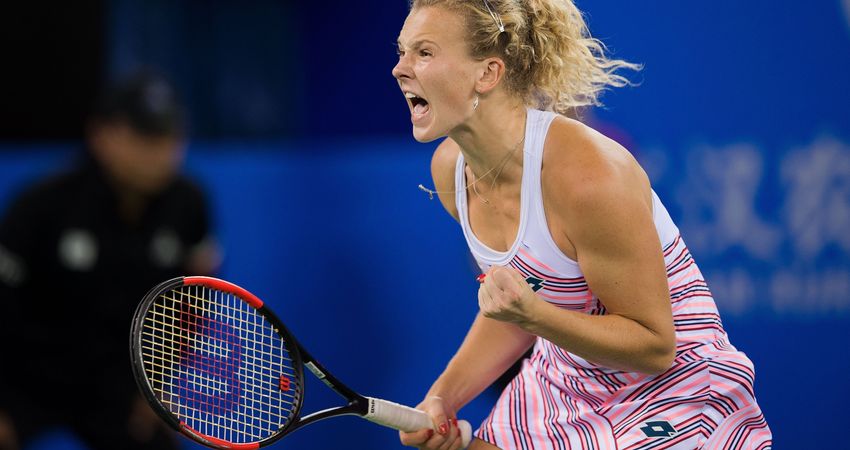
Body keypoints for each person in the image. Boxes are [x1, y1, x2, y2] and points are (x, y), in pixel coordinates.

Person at [392, 1, 773, 449]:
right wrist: (443, 399)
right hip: (565, 382)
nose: (400, 69)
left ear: (487, 73)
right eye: (401, 52)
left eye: (424, 53)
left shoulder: (588, 175)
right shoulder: (451, 171)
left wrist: (536, 316)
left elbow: (654, 346)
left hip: (676, 389)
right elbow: (519, 308)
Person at [0, 71, 219, 450]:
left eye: (171, 137)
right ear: (101, 136)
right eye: (146, 137)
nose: (163, 151)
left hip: (120, 384)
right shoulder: (41, 206)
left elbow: (192, 300)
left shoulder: (190, 204)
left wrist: (157, 383)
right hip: (29, 377)